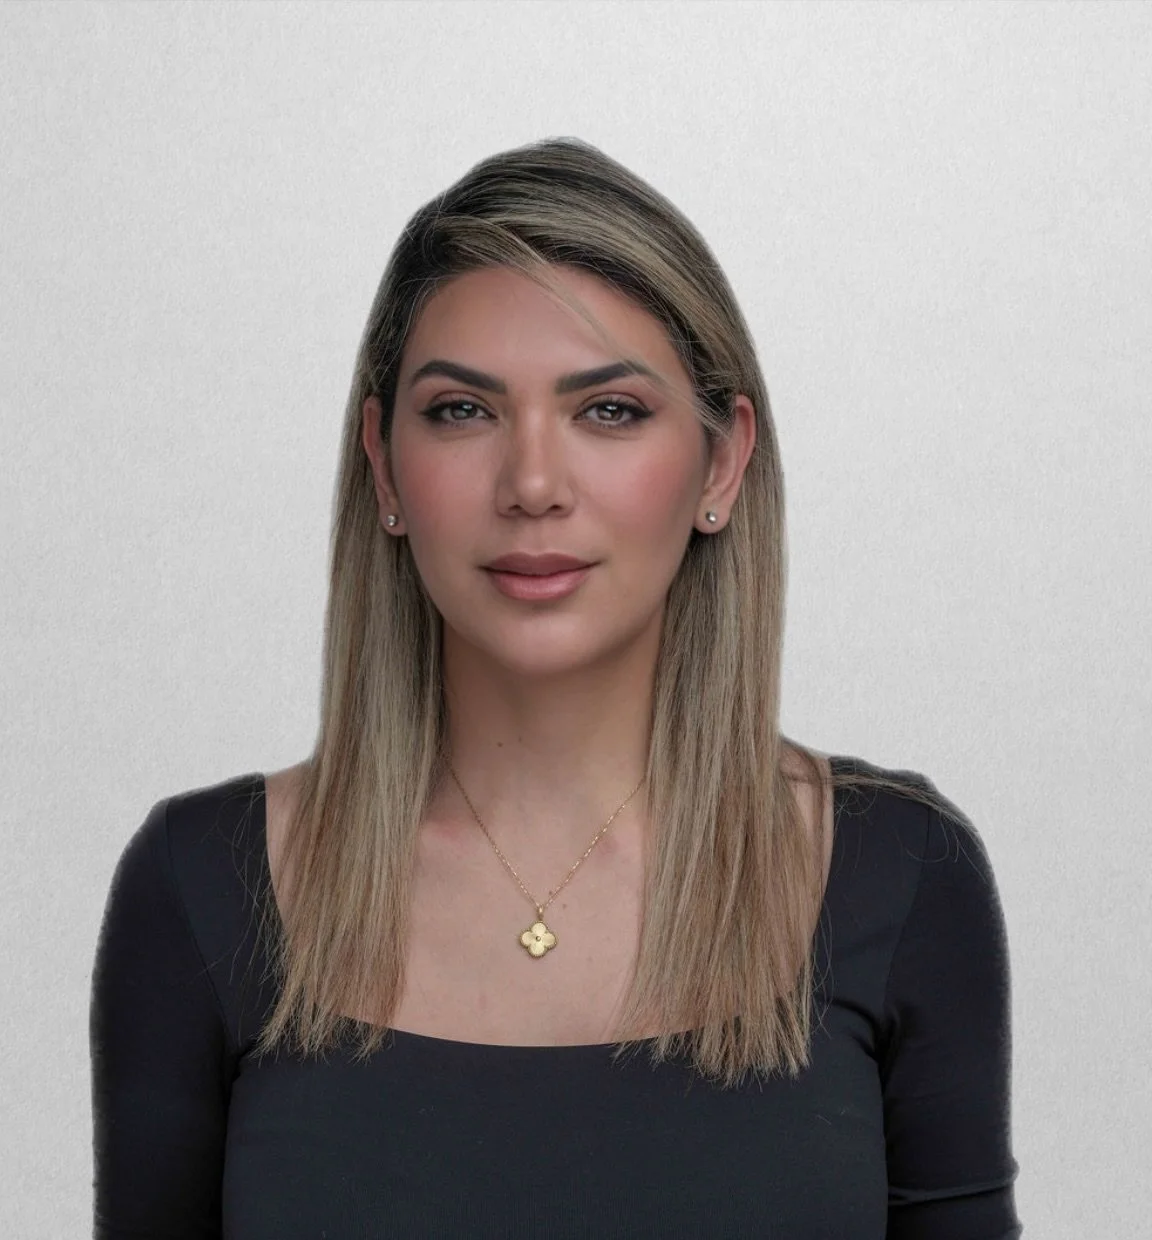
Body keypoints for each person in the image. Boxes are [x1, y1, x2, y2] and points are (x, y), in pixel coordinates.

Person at [89, 137, 1021, 1239]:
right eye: (462, 412)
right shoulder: (202, 887)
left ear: (721, 464)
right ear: (384, 468)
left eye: (609, 411)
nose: (533, 484)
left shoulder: (898, 878)